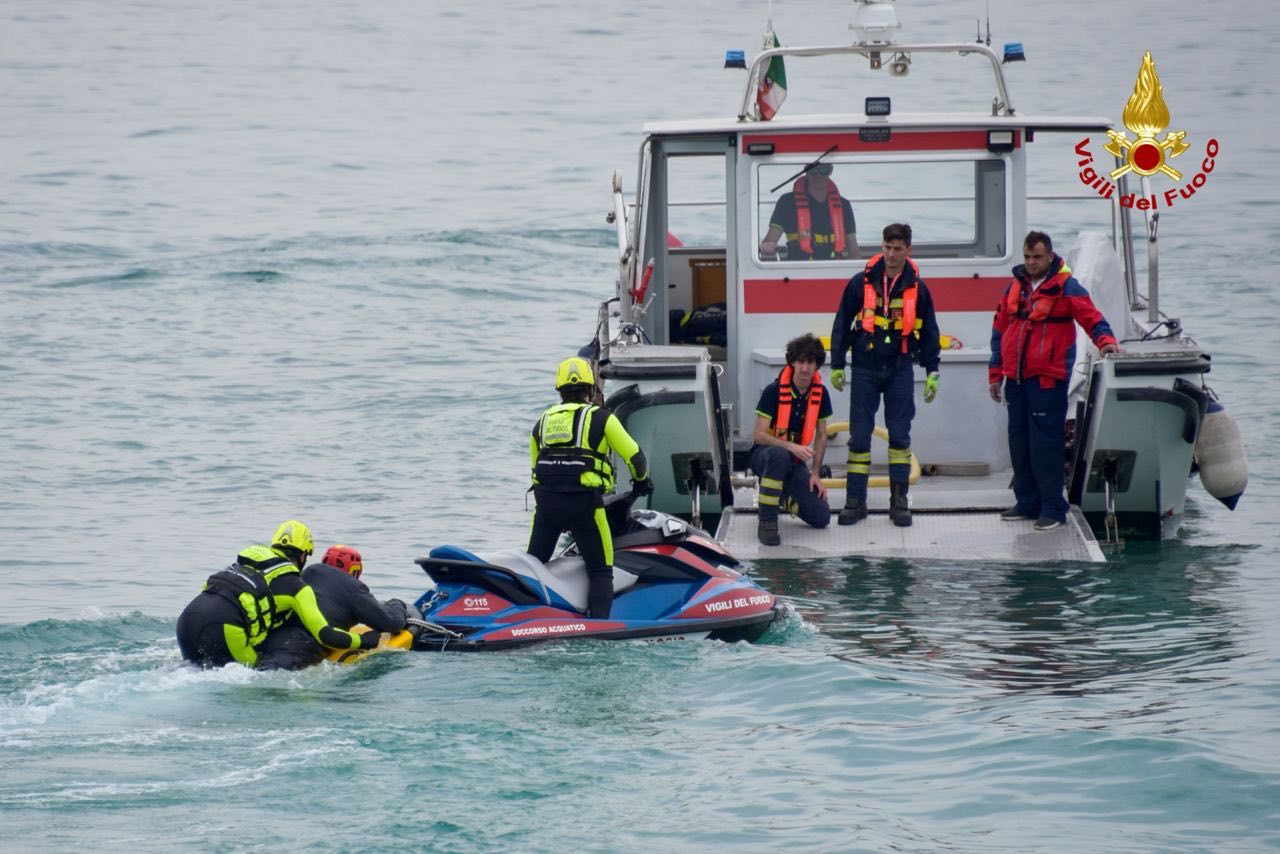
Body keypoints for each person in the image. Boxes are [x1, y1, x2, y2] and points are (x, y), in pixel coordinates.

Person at [989, 230, 1120, 531]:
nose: (1031, 262)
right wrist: (995, 373)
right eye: (1027, 257)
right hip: (1016, 380)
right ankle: (1027, 502)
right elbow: (999, 331)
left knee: (1045, 445)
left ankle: (1053, 508)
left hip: (1048, 380)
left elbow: (1091, 318)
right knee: (1019, 442)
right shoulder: (1014, 288)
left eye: (1037, 257)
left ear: (1050, 256)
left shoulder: (1066, 288)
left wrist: (1106, 342)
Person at [829, 223, 941, 528]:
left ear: (908, 250)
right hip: (865, 366)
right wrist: (837, 363)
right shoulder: (860, 282)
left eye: (897, 249)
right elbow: (841, 322)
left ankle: (899, 502)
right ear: (882, 247)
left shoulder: (919, 288)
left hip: (900, 366)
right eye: (887, 248)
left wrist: (933, 371)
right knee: (860, 437)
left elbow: (930, 330)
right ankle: (855, 503)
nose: (891, 255)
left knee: (900, 437)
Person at [528, 356, 653, 619]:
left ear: (559, 390)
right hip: (584, 506)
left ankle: (527, 620)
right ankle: (597, 629)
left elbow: (534, 469)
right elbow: (634, 456)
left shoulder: (542, 421)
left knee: (533, 566)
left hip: (547, 507)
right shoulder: (602, 418)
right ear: (591, 389)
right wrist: (641, 481)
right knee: (599, 570)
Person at [175, 520, 380, 669]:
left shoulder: (253, 560)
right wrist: (364, 641)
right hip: (225, 628)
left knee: (192, 671)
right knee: (253, 678)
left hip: (187, 620)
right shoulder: (297, 587)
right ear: (303, 555)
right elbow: (325, 635)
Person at [255, 545, 412, 671]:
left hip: (267, 642)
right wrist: (398, 604)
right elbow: (391, 622)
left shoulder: (305, 573)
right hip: (297, 653)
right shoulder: (354, 587)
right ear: (355, 571)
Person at [750, 333, 833, 546]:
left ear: (817, 366)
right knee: (779, 455)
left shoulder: (821, 393)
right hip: (765, 457)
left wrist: (815, 473)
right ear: (792, 362)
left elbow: (822, 435)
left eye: (810, 362)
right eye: (800, 361)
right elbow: (758, 435)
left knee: (822, 517)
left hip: (794, 463)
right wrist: (790, 446)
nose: (805, 368)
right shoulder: (773, 391)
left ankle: (779, 495)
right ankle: (767, 521)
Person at [759, 163, 859, 260]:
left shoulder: (844, 205)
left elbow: (853, 250)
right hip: (797, 268)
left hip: (831, 267)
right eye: (813, 170)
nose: (818, 175)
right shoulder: (786, 202)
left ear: (830, 171)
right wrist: (767, 245)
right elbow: (770, 240)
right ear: (806, 171)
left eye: (824, 170)